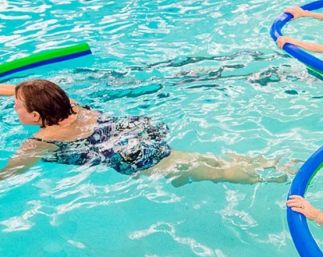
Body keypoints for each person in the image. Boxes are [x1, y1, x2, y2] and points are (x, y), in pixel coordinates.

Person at [0, 80, 290, 185]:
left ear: (36, 116)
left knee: (210, 172)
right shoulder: (71, 106)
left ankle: (277, 178)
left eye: (16, 106)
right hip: (131, 131)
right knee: (198, 159)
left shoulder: (39, 142)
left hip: (130, 155)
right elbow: (29, 90)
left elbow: (8, 176)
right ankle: (271, 163)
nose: (14, 108)